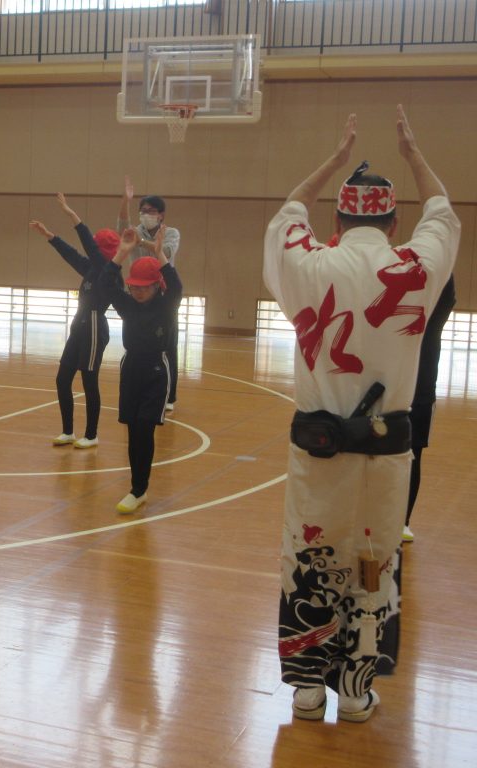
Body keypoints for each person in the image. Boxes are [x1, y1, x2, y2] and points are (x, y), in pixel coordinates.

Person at [263, 106, 459, 722]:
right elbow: (443, 212)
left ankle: (306, 691)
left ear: (337, 220)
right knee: (373, 566)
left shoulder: (308, 262)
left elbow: (288, 213)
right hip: (386, 455)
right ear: (394, 222)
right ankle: (354, 693)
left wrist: (334, 159)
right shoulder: (416, 267)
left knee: (309, 559)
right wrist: (412, 153)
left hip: (318, 454)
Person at [99, 225, 181, 513]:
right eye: (134, 286)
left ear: (156, 286)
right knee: (133, 431)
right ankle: (138, 488)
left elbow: (177, 286)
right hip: (131, 367)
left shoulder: (166, 305)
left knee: (145, 429)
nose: (138, 291)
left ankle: (138, 488)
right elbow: (106, 285)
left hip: (156, 370)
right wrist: (121, 254)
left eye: (144, 287)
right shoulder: (127, 304)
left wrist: (160, 254)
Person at [30, 192, 117, 448]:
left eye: (96, 246)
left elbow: (86, 243)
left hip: (95, 327)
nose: (92, 248)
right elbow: (71, 254)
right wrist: (49, 235)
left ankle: (91, 435)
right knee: (62, 379)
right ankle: (68, 431)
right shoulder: (91, 267)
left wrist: (71, 214)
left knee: (89, 381)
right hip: (79, 325)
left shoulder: (109, 271)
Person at [119, 181, 181, 411]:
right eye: (142, 211)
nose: (145, 214)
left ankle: (169, 395)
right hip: (137, 291)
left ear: (161, 214)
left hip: (162, 294)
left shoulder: (171, 233)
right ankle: (137, 384)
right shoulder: (136, 230)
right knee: (134, 339)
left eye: (151, 211)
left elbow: (166, 251)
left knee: (168, 344)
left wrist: (142, 242)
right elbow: (122, 227)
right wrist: (125, 201)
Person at [403, 275, 455, 542]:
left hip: (420, 394)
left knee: (413, 455)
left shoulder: (432, 319)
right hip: (387, 390)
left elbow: (447, 295)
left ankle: (403, 521)